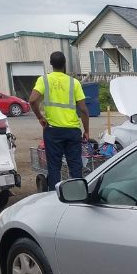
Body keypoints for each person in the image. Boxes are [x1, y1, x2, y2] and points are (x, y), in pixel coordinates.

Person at [29, 52, 90, 191]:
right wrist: (86, 130)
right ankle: (77, 195)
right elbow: (84, 110)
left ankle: (55, 197)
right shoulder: (74, 82)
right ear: (64, 64)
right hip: (72, 131)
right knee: (75, 166)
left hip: (53, 131)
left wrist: (40, 117)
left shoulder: (43, 80)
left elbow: (32, 100)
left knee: (54, 166)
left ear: (51, 64)